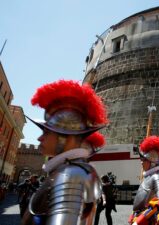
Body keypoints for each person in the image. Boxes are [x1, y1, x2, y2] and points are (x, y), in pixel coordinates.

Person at [21, 80, 108, 225]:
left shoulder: (70, 175)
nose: (39, 138)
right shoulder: (72, 170)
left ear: (64, 138)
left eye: (46, 132)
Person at [128, 135, 159, 225]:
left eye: (144, 159)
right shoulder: (146, 177)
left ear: (152, 162)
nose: (141, 162)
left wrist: (142, 219)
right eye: (141, 159)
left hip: (148, 221)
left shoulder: (157, 177)